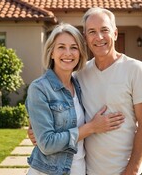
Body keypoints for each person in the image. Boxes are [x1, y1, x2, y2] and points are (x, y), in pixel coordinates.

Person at [25, 23, 125, 175]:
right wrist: (92, 127)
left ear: (80, 53)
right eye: (61, 47)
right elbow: (46, 143)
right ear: (51, 52)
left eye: (74, 47)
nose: (68, 53)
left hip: (79, 168)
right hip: (50, 171)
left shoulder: (79, 83)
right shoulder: (39, 88)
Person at [76, 7, 142, 175]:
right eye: (92, 32)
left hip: (124, 171)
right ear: (85, 37)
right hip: (88, 171)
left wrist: (131, 171)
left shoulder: (135, 69)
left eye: (105, 30)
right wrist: (36, 130)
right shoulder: (80, 74)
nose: (99, 37)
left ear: (115, 33)